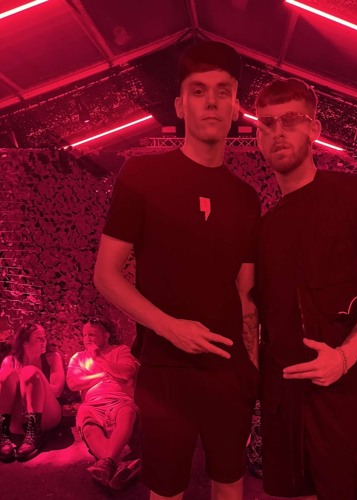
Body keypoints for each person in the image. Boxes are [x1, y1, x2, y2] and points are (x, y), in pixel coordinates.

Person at [93, 41, 260, 500]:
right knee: (166, 491)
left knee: (230, 483)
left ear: (236, 106)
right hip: (165, 369)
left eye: (223, 91)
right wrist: (170, 327)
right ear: (180, 105)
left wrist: (252, 369)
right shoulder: (142, 176)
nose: (212, 102)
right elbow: (106, 274)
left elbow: (245, 292)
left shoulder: (246, 198)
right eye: (199, 90)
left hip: (229, 369)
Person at [255, 77, 357, 500]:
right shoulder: (266, 227)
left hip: (341, 393)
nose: (278, 131)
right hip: (282, 397)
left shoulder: (356, 195)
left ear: (314, 129)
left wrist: (343, 358)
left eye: (290, 119)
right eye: (266, 124)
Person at [66, 318, 140, 489]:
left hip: (119, 399)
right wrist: (104, 375)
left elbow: (126, 372)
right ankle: (116, 464)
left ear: (106, 335)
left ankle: (106, 465)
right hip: (92, 404)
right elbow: (73, 383)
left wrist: (98, 358)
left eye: (92, 334)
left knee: (127, 414)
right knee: (89, 426)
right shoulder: (78, 357)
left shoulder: (121, 350)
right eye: (85, 335)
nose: (87, 338)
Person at [0, 323, 64, 462]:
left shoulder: (52, 358)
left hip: (46, 417)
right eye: (38, 338)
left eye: (44, 337)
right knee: (6, 374)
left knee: (29, 372)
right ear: (24, 342)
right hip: (17, 421)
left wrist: (33, 383)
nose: (44, 341)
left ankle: (34, 434)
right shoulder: (9, 361)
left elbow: (57, 391)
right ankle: (3, 434)